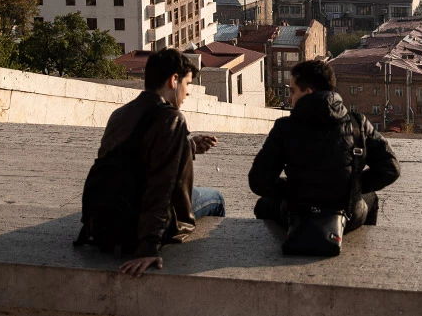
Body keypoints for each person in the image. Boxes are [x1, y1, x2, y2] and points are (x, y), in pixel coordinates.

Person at [90, 49, 225, 277]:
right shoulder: (172, 118)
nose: (188, 92)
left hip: (106, 220)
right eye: (187, 84)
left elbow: (137, 154)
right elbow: (163, 184)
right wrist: (149, 247)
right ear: (173, 80)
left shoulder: (120, 114)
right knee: (216, 198)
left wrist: (189, 145)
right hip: (140, 223)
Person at [248, 59, 400, 239]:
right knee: (370, 199)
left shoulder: (285, 128)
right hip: (347, 213)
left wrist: (292, 189)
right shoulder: (357, 123)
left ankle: (289, 242)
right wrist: (352, 185)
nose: (289, 98)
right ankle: (349, 241)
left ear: (308, 92)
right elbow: (391, 169)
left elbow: (258, 180)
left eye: (292, 91)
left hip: (299, 212)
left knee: (264, 205)